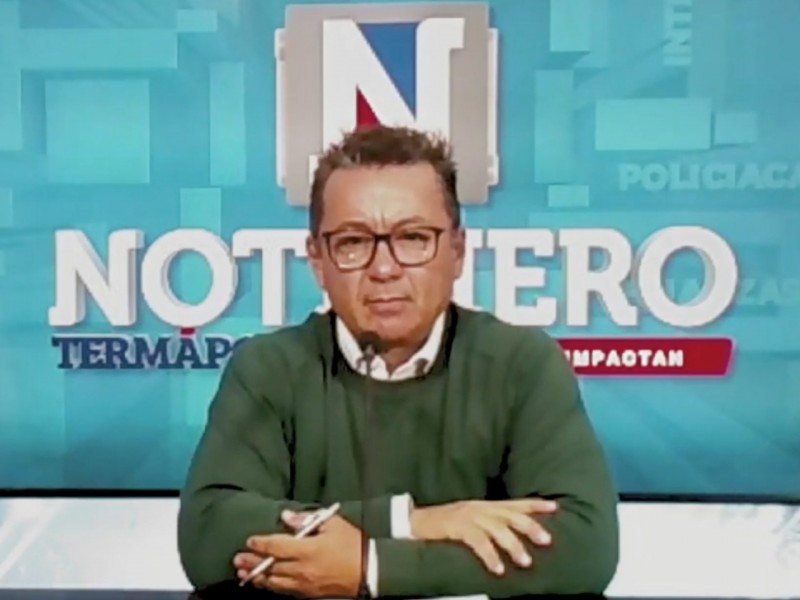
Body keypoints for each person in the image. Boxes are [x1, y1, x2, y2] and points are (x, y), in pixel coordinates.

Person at [177, 125, 620, 598]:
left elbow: (584, 545)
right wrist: (409, 522)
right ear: (317, 261)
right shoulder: (268, 368)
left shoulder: (521, 364)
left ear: (457, 251)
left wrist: (372, 567)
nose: (384, 269)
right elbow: (209, 533)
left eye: (413, 238)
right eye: (352, 242)